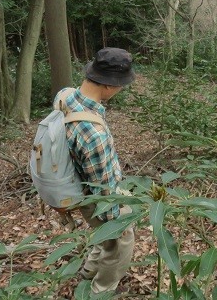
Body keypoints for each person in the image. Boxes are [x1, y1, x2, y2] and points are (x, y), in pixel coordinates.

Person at [52, 47, 136, 295]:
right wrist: (118, 222)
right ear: (109, 86)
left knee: (102, 234)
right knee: (119, 241)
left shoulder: (65, 96)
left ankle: (88, 271)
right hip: (94, 197)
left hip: (76, 185)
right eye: (121, 84)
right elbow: (104, 191)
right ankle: (102, 289)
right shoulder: (94, 134)